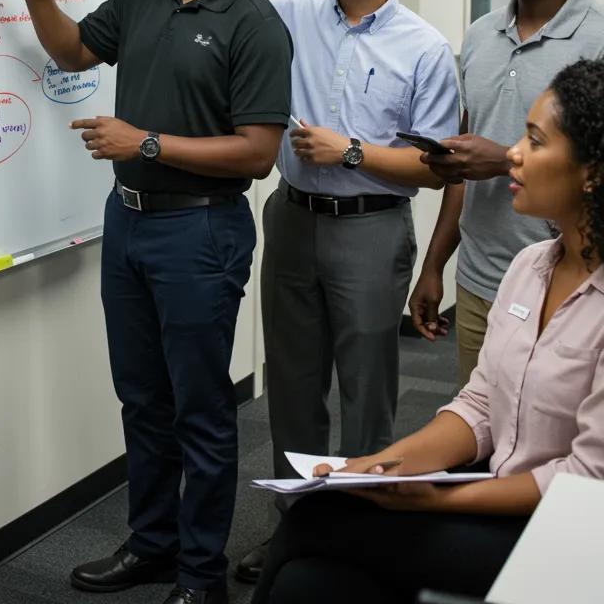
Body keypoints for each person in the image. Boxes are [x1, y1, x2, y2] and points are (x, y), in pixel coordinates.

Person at [84, 0, 458, 585]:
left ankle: (361, 538)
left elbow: (435, 167)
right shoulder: (289, 13)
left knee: (365, 395)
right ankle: (297, 532)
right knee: (291, 392)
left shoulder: (424, 48)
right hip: (290, 218)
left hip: (371, 228)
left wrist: (350, 152)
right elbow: (214, 4)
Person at [0, 0, 293, 604]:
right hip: (127, 223)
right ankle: (152, 546)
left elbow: (257, 153)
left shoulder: (253, 23)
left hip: (201, 232)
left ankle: (198, 575)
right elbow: (72, 52)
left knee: (201, 410)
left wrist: (145, 143)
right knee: (142, 401)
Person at [253, 57, 604, 604]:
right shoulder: (531, 265)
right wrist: (376, 470)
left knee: (311, 525)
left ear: (593, 174)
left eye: (535, 142)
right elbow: (481, 405)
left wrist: (433, 501)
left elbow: (585, 482)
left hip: (571, 537)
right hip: (500, 499)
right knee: (309, 581)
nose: (512, 152)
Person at [409, 0, 604, 384]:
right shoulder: (479, 36)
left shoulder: (599, 43)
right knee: (481, 436)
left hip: (572, 285)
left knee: (556, 449)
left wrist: (504, 158)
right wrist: (436, 266)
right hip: (477, 284)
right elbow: (462, 166)